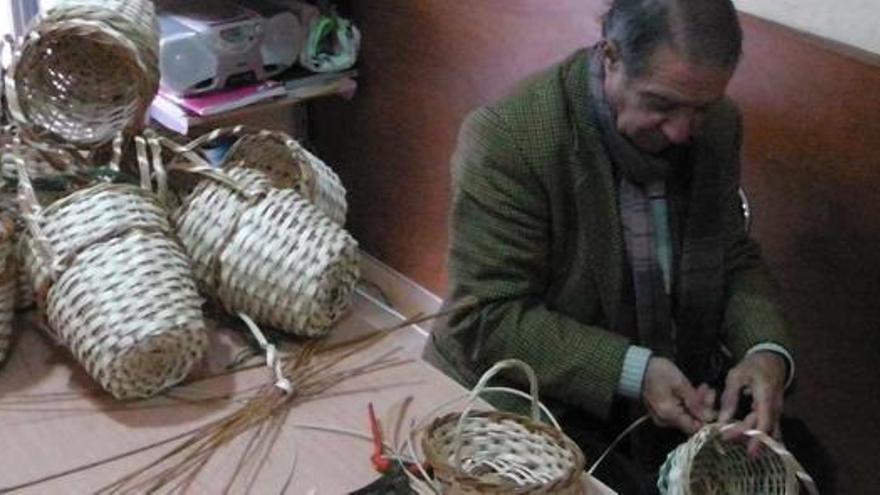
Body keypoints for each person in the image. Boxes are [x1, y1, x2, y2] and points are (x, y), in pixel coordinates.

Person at [423, 0, 833, 491]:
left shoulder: (719, 126)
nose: (682, 131)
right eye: (661, 104)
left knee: (814, 471)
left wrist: (766, 352)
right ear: (611, 57)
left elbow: (732, 257)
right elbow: (485, 316)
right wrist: (633, 371)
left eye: (700, 108)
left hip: (672, 378)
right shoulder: (511, 139)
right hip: (537, 387)